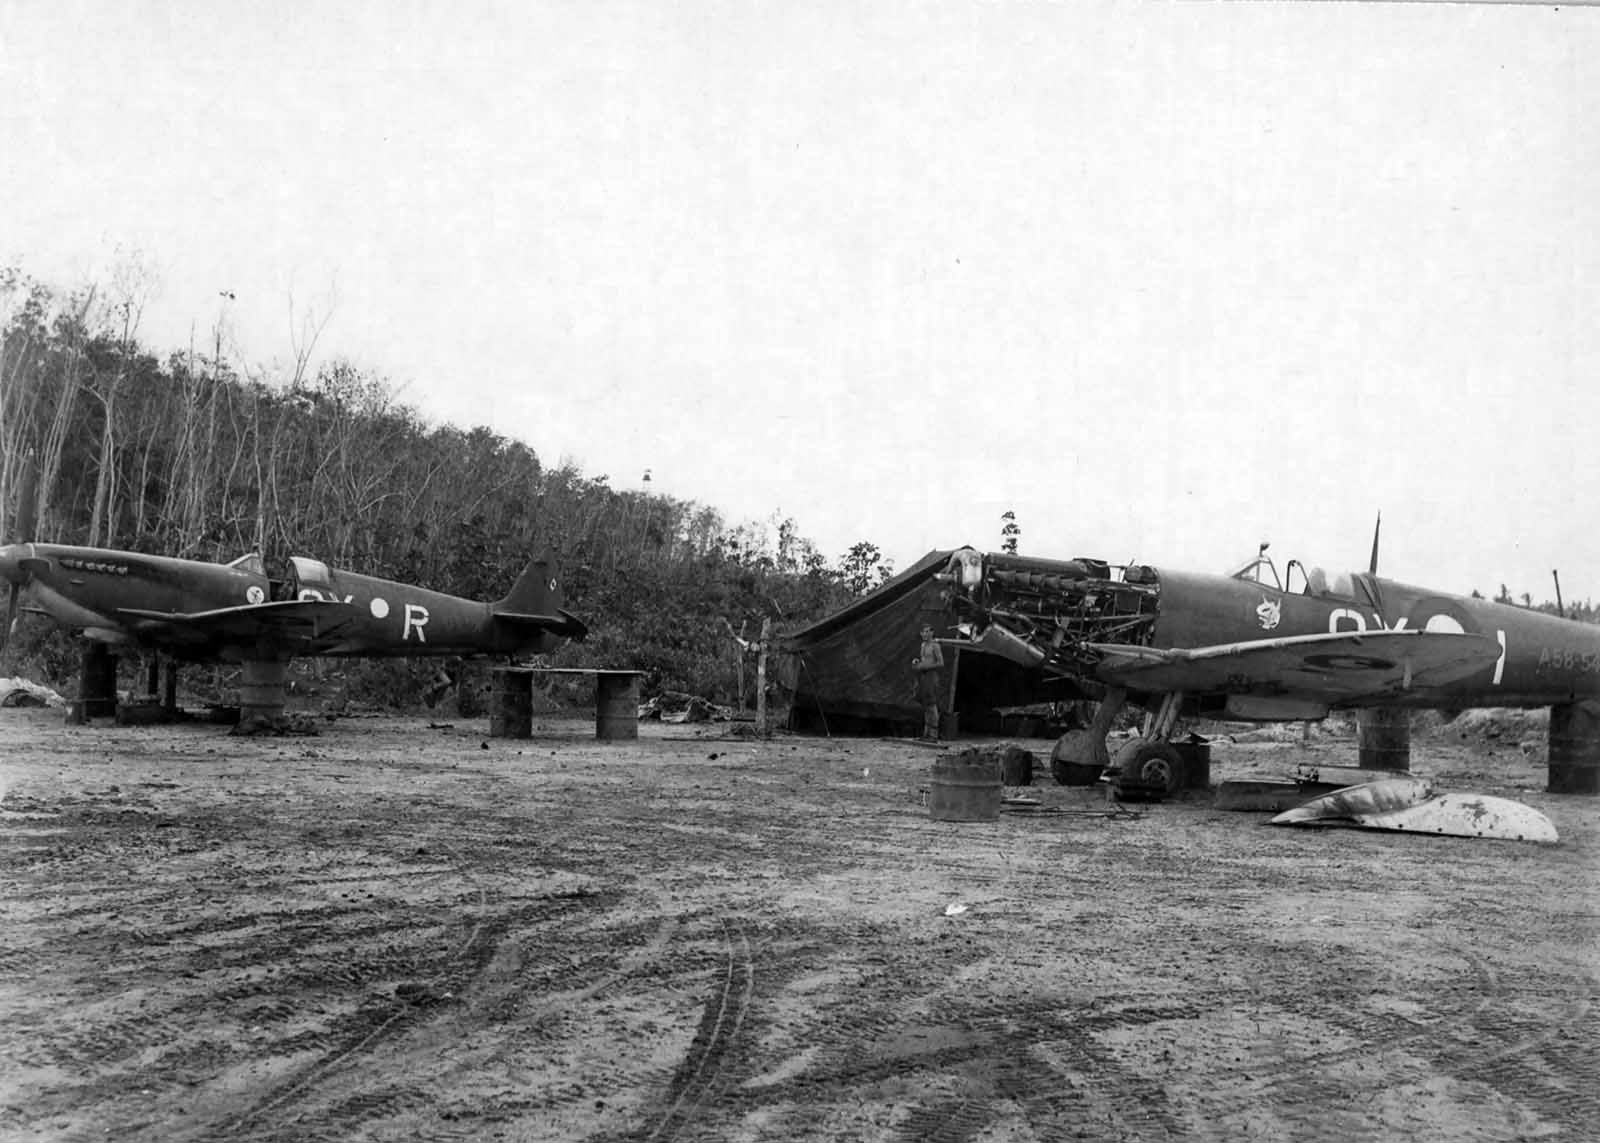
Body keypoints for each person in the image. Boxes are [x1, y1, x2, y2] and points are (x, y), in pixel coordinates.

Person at [913, 624, 945, 740]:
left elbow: (941, 663)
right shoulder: (922, 645)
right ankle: (926, 734)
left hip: (932, 676)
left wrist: (927, 667)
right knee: (926, 705)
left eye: (927, 632)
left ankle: (934, 735)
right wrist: (918, 663)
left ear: (932, 633)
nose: (925, 634)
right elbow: (924, 660)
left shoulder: (935, 646)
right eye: (923, 632)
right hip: (923, 676)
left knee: (932, 705)